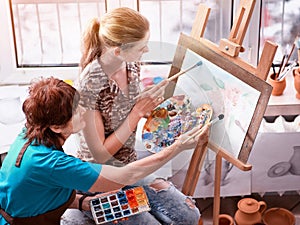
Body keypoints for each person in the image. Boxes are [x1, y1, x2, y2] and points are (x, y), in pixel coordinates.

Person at [0, 77, 209, 225]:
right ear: (55, 126)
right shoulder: (50, 162)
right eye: (76, 111)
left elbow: (38, 193)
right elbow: (123, 176)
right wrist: (176, 147)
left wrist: (84, 203)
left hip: (26, 211)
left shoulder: (30, 133)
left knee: (184, 213)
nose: (84, 112)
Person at [76, 7, 205, 225]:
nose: (146, 50)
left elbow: (125, 109)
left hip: (128, 166)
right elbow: (100, 154)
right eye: (140, 47)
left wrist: (151, 106)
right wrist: (136, 113)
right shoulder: (90, 83)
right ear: (117, 51)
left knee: (189, 215)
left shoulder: (131, 64)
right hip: (99, 176)